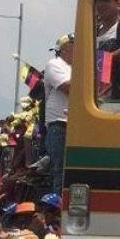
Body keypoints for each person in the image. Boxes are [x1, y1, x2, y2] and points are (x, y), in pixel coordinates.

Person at [44, 33, 73, 195]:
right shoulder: (55, 64)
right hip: (59, 124)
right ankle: (56, 213)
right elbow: (67, 87)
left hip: (74, 123)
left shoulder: (75, 67)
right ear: (65, 48)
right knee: (60, 172)